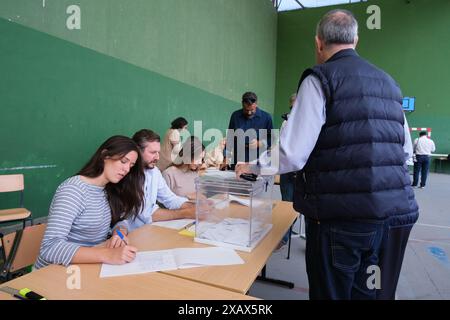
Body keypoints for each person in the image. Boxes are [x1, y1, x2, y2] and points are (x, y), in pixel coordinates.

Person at [237, 9, 418, 300]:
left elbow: (292, 154)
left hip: (341, 220)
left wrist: (252, 167)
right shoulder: (389, 84)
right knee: (370, 293)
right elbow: (405, 151)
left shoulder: (320, 79)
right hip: (393, 217)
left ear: (318, 43)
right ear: (356, 40)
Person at [35, 136, 144, 269]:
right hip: (53, 273)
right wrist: (107, 254)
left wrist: (119, 234)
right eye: (123, 161)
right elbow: (50, 248)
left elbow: (120, 223)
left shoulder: (108, 189)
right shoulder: (73, 190)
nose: (127, 169)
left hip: (85, 267)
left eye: (131, 166)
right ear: (105, 155)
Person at [114, 129, 195, 234]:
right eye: (152, 152)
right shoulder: (126, 174)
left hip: (149, 230)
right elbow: (147, 214)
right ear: (137, 151)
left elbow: (170, 198)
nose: (157, 157)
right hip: (131, 233)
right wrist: (186, 213)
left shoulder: (154, 171)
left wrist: (193, 207)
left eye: (158, 152)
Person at [223, 92, 273, 170]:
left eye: (252, 110)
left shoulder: (266, 118)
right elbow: (230, 138)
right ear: (242, 104)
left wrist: (260, 143)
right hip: (238, 159)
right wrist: (226, 157)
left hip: (257, 161)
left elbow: (272, 139)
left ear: (256, 104)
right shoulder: (235, 116)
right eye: (246, 110)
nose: (249, 113)